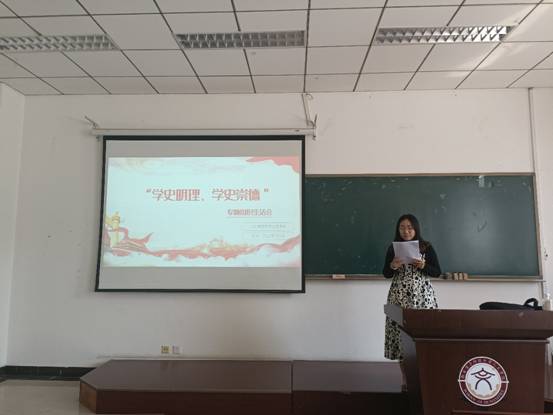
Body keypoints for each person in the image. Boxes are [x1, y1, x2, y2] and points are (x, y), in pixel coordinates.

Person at [383, 214, 441, 367]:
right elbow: (386, 274)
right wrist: (393, 265)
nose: (406, 231)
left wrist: (423, 266)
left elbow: (437, 272)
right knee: (400, 332)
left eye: (409, 227)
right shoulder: (393, 248)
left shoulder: (426, 247)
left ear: (416, 229)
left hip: (422, 296)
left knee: (423, 330)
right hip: (398, 296)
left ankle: (424, 371)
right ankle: (405, 375)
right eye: (402, 228)